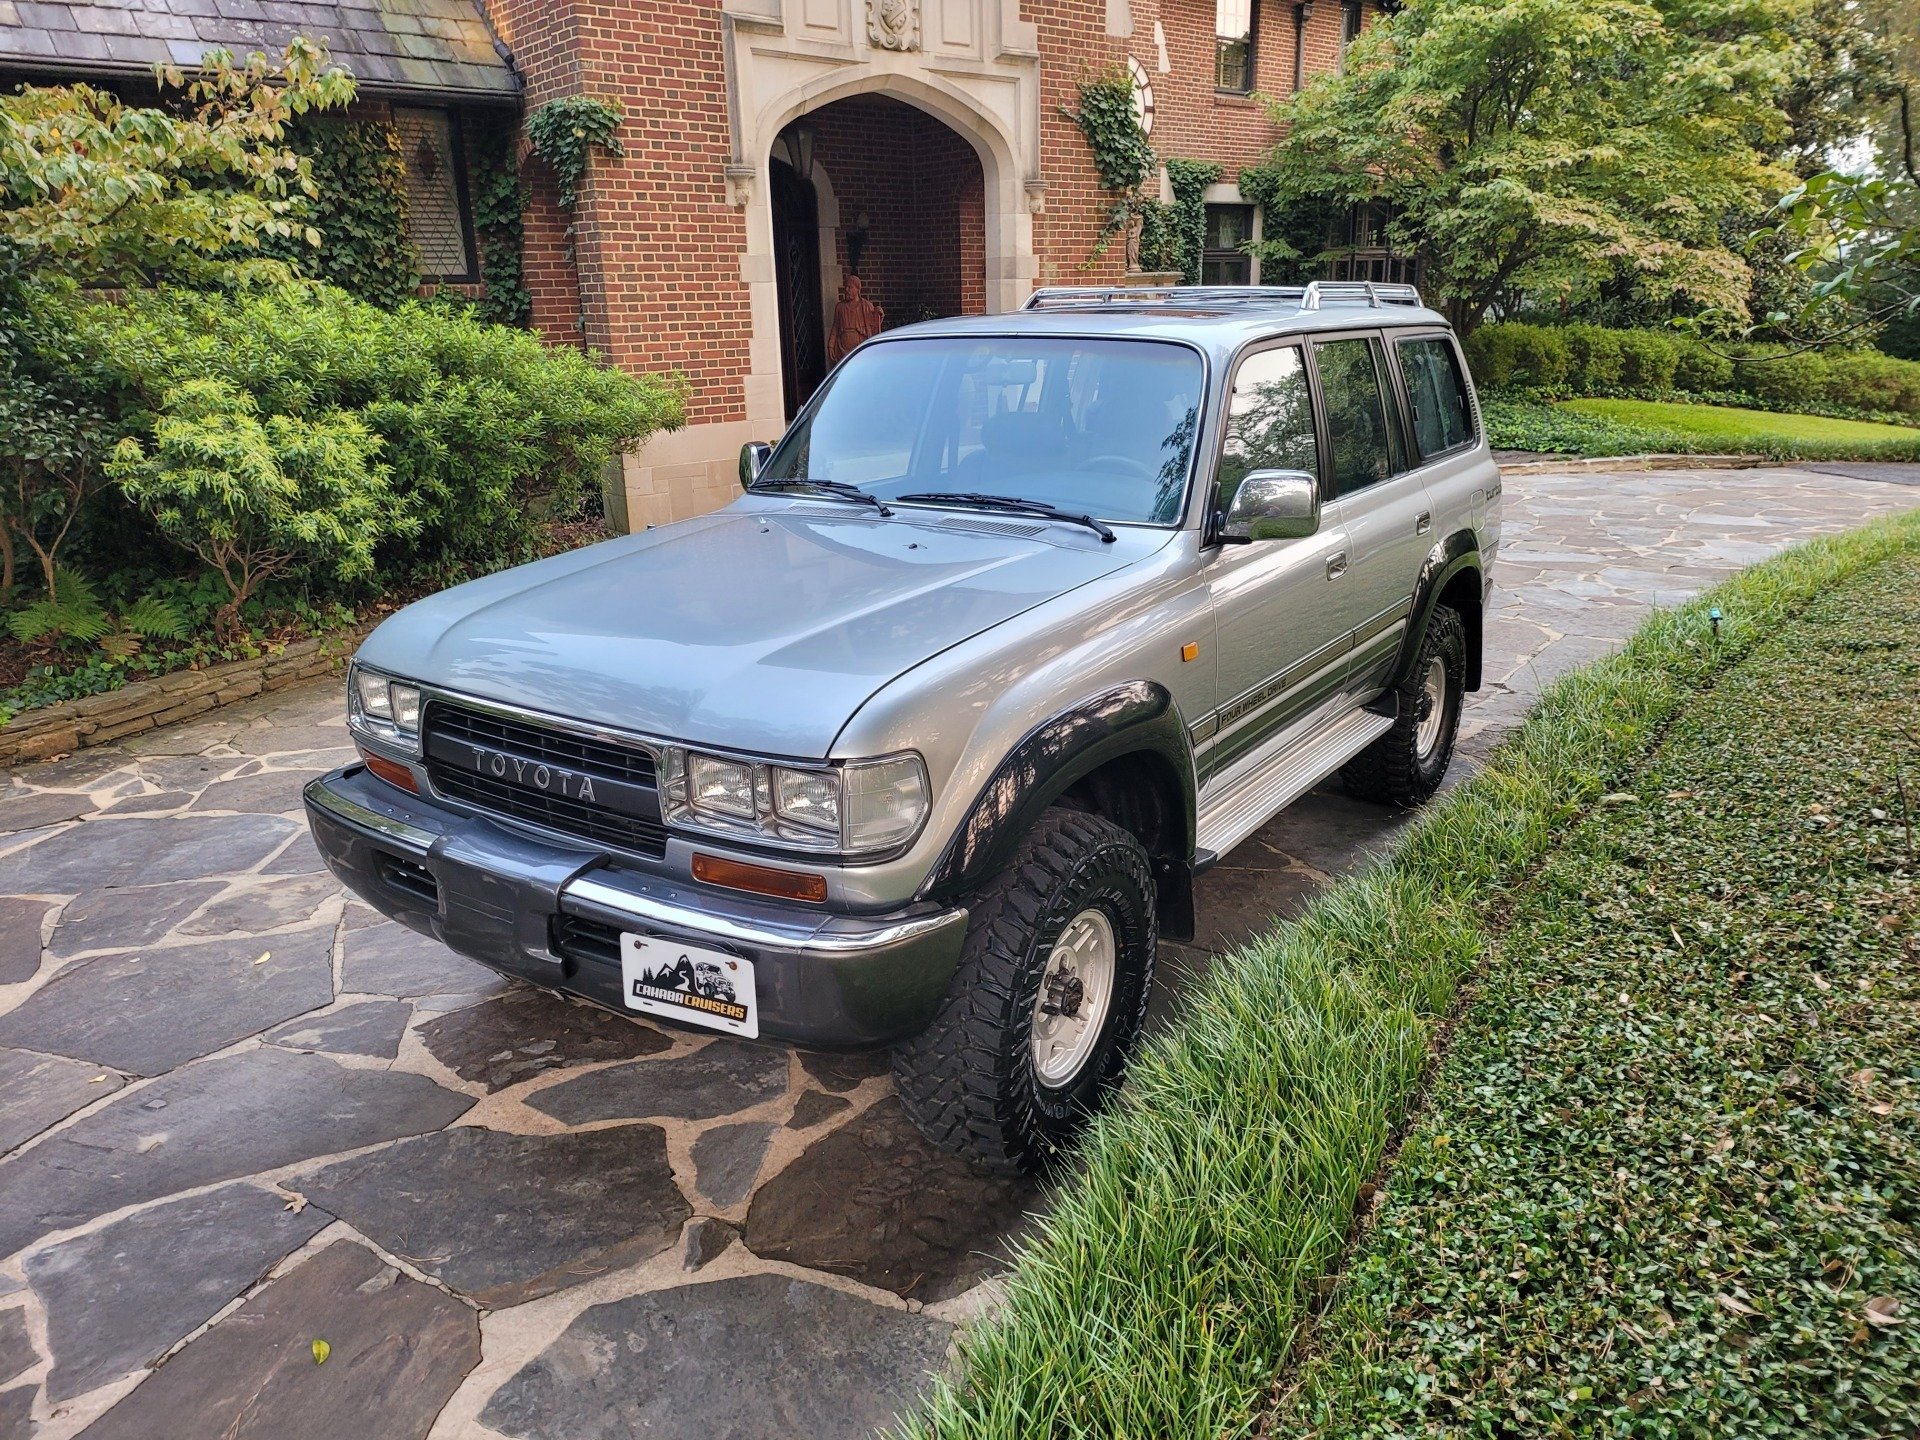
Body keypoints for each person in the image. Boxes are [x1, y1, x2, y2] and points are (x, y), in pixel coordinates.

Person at [827, 273, 885, 365]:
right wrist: (830, 345)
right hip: (842, 348)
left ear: (857, 289)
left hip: (860, 347)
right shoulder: (840, 307)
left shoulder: (866, 305)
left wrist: (879, 315)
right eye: (845, 287)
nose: (846, 290)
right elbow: (835, 326)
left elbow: (874, 326)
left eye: (850, 287)